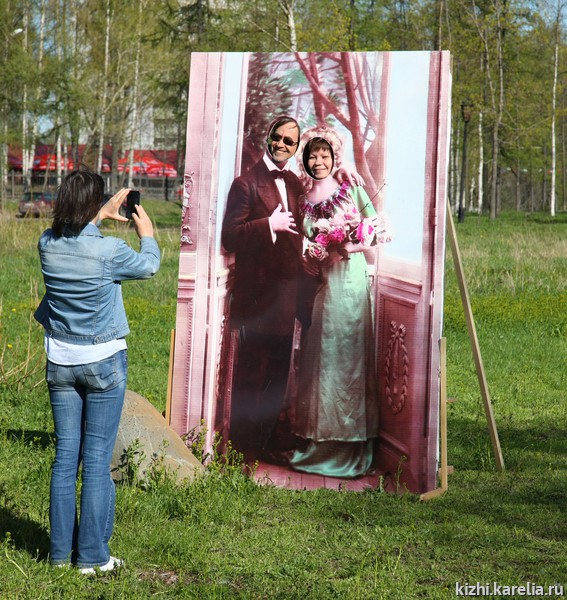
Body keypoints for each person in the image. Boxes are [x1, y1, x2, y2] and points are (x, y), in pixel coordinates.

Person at [34, 169, 160, 573]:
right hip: (103, 363)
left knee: (65, 459)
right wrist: (148, 234)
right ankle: (91, 558)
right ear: (93, 204)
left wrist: (98, 214)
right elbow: (149, 266)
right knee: (96, 459)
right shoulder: (110, 251)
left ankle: (59, 555)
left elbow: (76, 239)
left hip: (60, 364)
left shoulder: (47, 244)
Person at [289, 126, 391, 478]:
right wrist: (309, 255)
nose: (319, 161)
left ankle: (350, 446)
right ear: (304, 159)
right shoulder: (301, 198)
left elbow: (379, 229)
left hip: (350, 282)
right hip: (321, 285)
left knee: (349, 357)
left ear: (335, 157)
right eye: (312, 155)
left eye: (325, 155)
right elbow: (301, 241)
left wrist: (349, 245)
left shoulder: (352, 186)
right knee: (321, 357)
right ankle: (317, 444)